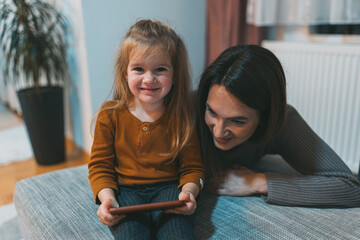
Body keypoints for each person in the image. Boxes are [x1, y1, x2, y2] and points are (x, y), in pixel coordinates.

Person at [196, 44, 360, 208]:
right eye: (211, 111)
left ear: (265, 117)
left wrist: (257, 181)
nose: (218, 131)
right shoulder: (186, 111)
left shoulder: (282, 121)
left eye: (238, 121)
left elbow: (350, 187)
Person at [88, 19, 204, 239]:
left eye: (160, 69)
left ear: (175, 74)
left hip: (169, 190)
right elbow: (100, 167)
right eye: (139, 69)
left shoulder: (182, 115)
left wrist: (189, 193)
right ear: (125, 72)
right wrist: (107, 199)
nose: (149, 79)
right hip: (127, 190)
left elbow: (193, 168)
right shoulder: (109, 114)